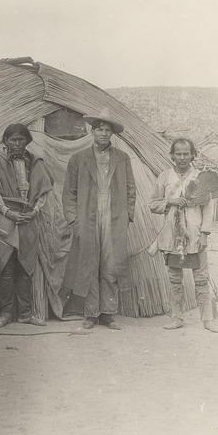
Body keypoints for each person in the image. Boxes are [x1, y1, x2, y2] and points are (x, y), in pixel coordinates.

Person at [61, 110, 136, 330]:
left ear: (112, 134)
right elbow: (69, 192)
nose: (103, 133)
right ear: (91, 131)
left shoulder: (122, 158)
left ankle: (108, 313)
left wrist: (127, 215)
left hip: (114, 217)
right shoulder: (78, 159)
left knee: (111, 265)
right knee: (89, 264)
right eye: (99, 129)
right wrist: (75, 220)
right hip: (88, 216)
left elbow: (131, 189)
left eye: (107, 130)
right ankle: (91, 314)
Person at [0, 123, 53, 328]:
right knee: (6, 266)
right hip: (4, 219)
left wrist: (34, 211)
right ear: (5, 142)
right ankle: (5, 314)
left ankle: (25, 313)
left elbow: (43, 191)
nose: (17, 143)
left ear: (27, 141)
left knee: (25, 266)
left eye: (21, 140)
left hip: (28, 219)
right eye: (13, 140)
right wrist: (8, 212)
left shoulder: (35, 162)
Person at [149, 138, 218, 333]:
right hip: (172, 237)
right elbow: (153, 204)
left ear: (192, 155)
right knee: (175, 279)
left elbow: (207, 209)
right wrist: (171, 201)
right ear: (172, 156)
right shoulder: (164, 177)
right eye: (178, 154)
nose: (182, 158)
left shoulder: (201, 177)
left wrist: (205, 234)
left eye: (186, 154)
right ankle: (177, 317)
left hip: (195, 235)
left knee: (201, 278)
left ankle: (208, 319)